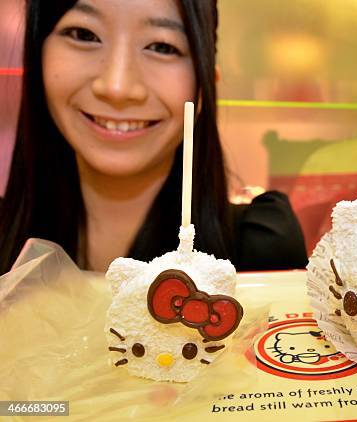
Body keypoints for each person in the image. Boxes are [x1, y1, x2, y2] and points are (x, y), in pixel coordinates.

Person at [0, 0, 307, 274]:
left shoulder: (263, 248)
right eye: (84, 35)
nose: (117, 87)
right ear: (37, 54)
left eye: (162, 47)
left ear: (204, 87)